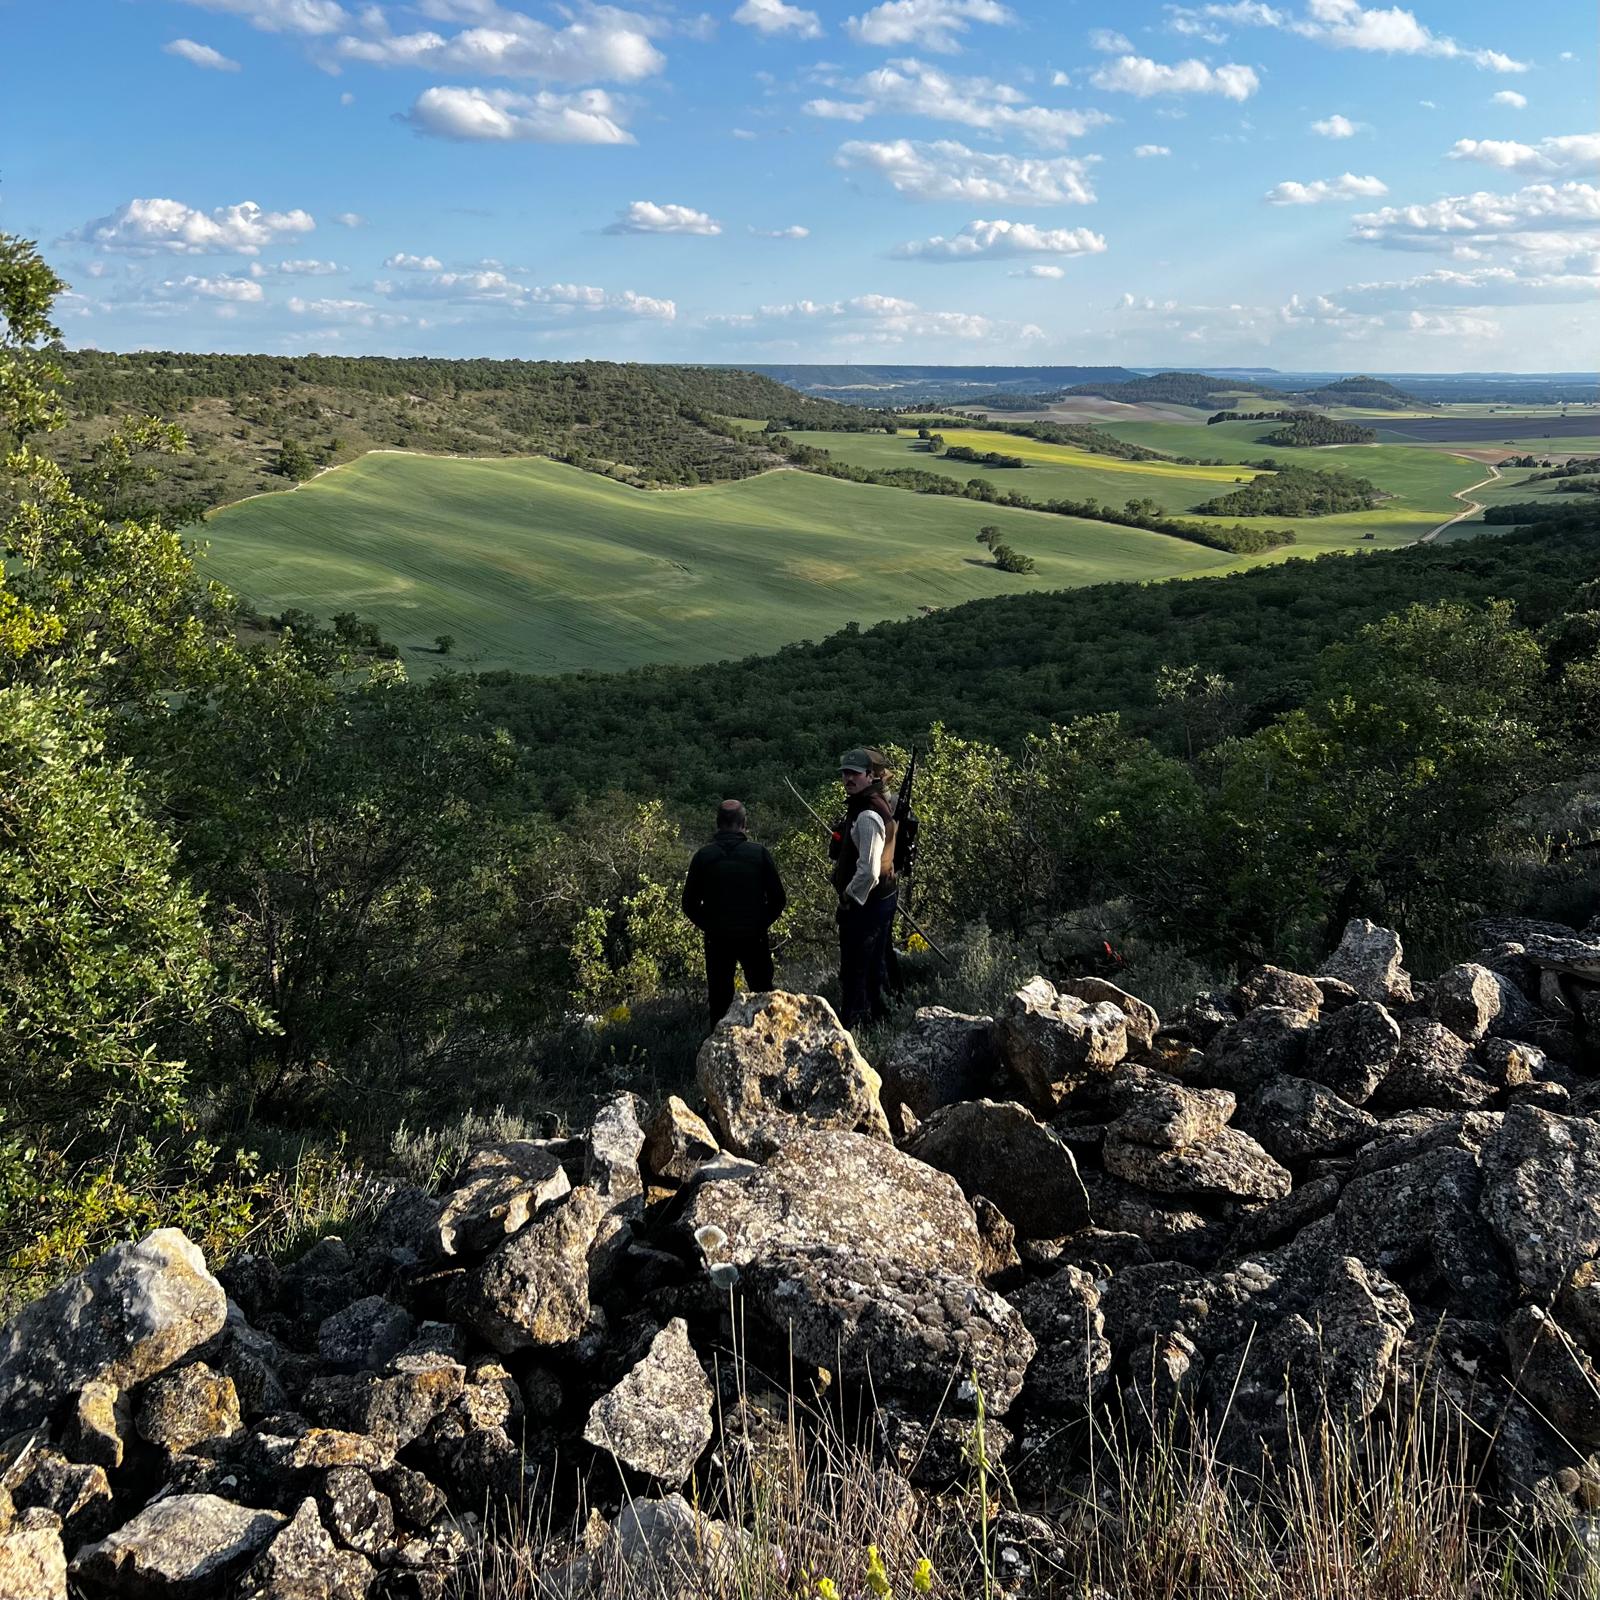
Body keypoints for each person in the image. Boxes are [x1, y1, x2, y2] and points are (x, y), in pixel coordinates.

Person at [681, 799, 787, 1024]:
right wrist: (759, 922)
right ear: (744, 824)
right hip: (754, 937)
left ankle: (718, 1047)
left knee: (719, 1000)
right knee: (762, 994)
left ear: (718, 824)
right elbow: (779, 898)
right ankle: (768, 1041)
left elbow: (689, 904)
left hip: (717, 940)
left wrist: (711, 925)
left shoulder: (703, 857)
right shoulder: (758, 854)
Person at [831, 748, 899, 1029]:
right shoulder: (879, 801)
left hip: (867, 904)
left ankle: (856, 1024)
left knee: (857, 967)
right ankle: (882, 1015)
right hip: (884, 897)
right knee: (877, 962)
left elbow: (869, 871)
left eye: (855, 773)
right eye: (845, 773)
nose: (848, 778)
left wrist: (848, 897)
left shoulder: (868, 814)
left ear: (870, 776)